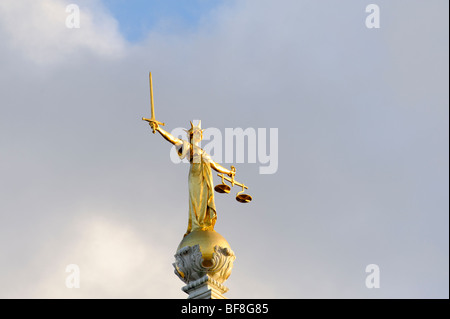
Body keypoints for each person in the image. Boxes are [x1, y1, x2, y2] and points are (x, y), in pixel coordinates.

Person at [149, 120, 235, 235]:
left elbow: (214, 165)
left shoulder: (204, 153)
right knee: (196, 200)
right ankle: (197, 224)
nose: (199, 135)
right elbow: (172, 139)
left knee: (205, 199)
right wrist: (159, 129)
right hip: (195, 175)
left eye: (200, 133)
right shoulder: (187, 146)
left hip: (206, 177)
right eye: (196, 132)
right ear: (191, 135)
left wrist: (228, 172)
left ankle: (204, 222)